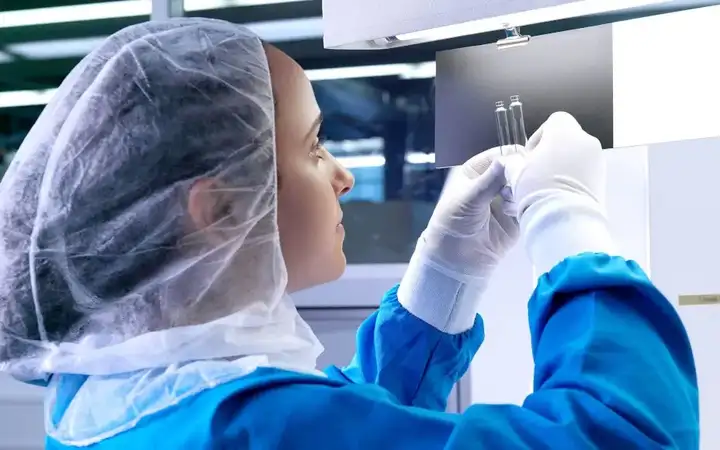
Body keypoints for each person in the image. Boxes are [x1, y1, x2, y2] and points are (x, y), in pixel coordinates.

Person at [0, 18, 698, 449]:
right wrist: (569, 221)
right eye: (313, 145)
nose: (341, 176)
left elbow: (352, 429)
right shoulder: (262, 427)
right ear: (216, 208)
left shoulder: (107, 399)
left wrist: (441, 287)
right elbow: (628, 438)